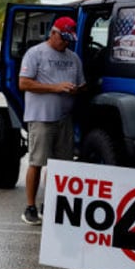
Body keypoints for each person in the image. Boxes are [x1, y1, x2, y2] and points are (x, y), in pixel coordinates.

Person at [18, 15, 85, 225]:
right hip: (41, 118)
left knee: (59, 166)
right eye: (62, 38)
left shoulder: (73, 58)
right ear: (53, 33)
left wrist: (76, 90)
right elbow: (24, 83)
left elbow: (83, 84)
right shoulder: (35, 53)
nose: (65, 43)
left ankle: (51, 203)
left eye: (69, 40)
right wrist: (54, 88)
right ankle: (30, 207)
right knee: (37, 162)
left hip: (64, 118)